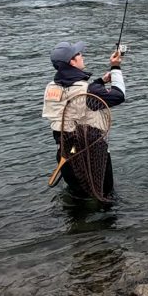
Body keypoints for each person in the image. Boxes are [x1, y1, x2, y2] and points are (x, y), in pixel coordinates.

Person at [42, 41, 125, 198]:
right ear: (71, 62)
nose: (82, 56)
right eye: (78, 54)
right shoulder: (89, 91)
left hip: (67, 152)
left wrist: (100, 82)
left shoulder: (50, 87)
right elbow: (119, 95)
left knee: (77, 198)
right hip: (92, 152)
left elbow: (72, 94)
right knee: (105, 197)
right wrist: (115, 68)